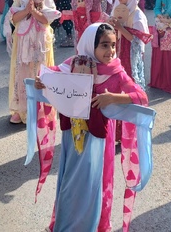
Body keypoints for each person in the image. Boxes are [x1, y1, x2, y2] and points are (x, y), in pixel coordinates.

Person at [31, 23, 151, 232]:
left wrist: (113, 98)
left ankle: (93, 225)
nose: (111, 51)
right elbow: (50, 74)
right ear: (90, 45)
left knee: (95, 181)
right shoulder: (75, 64)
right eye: (104, 45)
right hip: (73, 137)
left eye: (113, 45)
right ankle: (66, 223)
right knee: (71, 182)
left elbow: (141, 97)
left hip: (100, 138)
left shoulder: (116, 72)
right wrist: (41, 81)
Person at [7, 0, 60, 124]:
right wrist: (27, 10)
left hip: (39, 46)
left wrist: (35, 12)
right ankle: (21, 109)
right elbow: (14, 18)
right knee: (22, 74)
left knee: (39, 74)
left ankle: (40, 108)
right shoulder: (21, 0)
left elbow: (46, 20)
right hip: (24, 46)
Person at [110, 0, 148, 89]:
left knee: (130, 78)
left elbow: (137, 41)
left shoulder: (137, 16)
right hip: (117, 49)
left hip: (130, 53)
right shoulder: (116, 10)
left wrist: (120, 28)